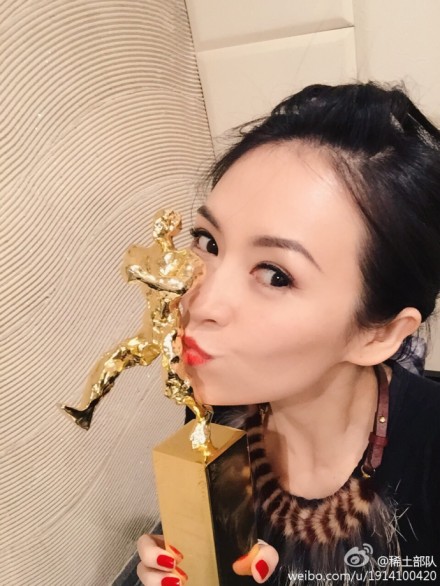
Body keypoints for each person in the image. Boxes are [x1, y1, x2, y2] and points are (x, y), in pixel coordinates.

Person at [134, 83, 440, 586]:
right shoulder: (215, 413)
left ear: (380, 333)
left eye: (276, 275)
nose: (197, 303)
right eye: (208, 242)